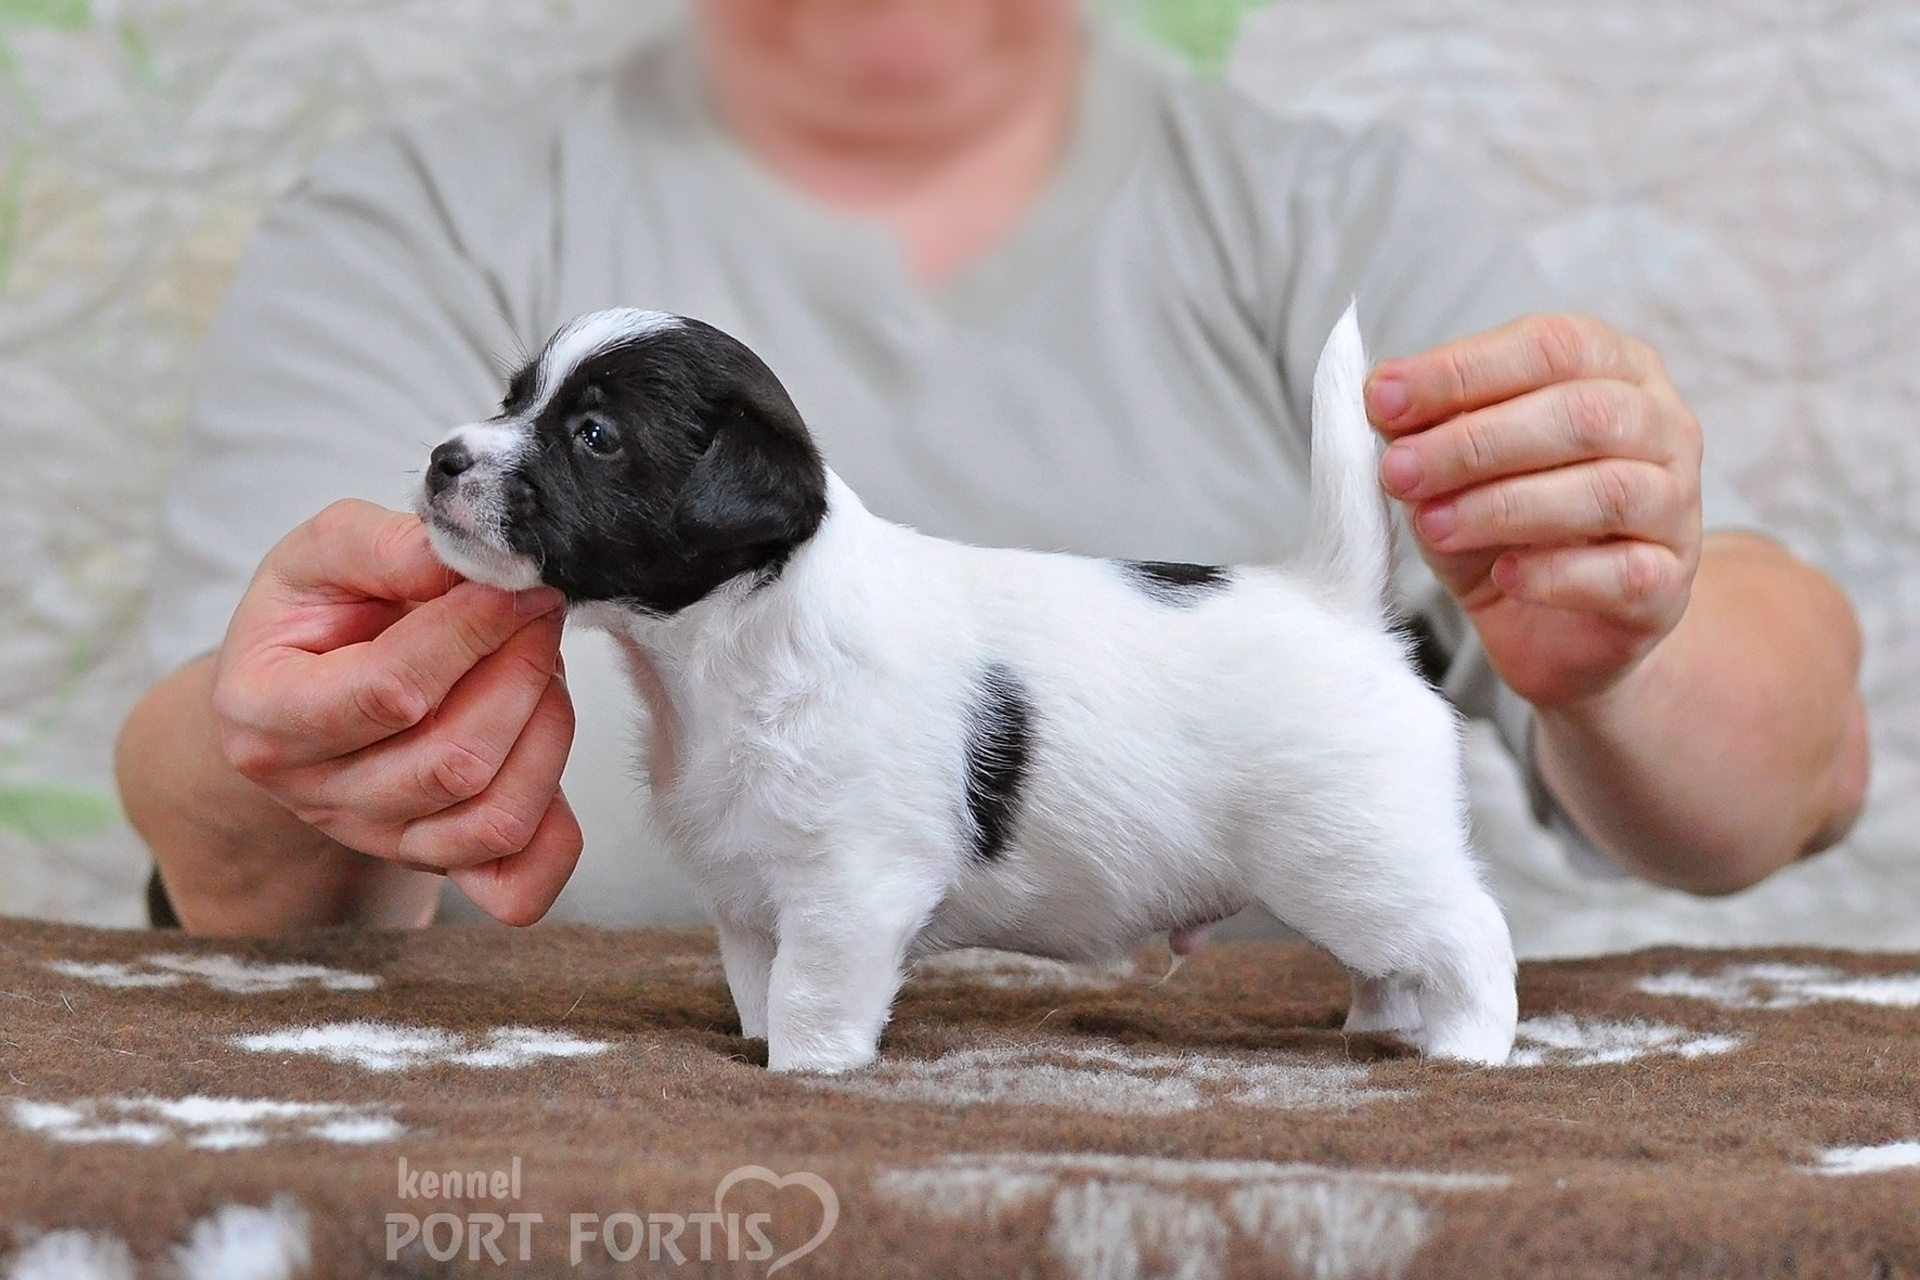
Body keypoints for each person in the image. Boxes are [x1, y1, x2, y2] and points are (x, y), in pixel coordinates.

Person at [115, 0, 1869, 937]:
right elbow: (227, 827)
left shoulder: (1333, 222)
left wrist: (1632, 627)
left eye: (564, 433)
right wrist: (288, 762)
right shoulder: (416, 219)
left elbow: (1793, 777)